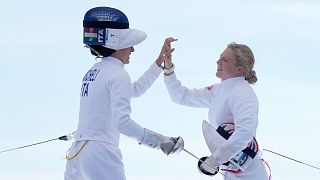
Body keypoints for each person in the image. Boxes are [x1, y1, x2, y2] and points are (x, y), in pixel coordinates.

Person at [64, 7, 184, 180]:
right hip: (101, 154)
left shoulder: (94, 71)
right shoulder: (117, 74)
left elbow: (135, 90)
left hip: (77, 154)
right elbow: (122, 123)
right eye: (129, 44)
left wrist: (160, 61)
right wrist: (160, 142)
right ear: (115, 43)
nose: (133, 50)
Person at [162, 40, 271, 180]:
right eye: (220, 57)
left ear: (239, 68)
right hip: (230, 172)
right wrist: (168, 68)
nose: (218, 62)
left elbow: (245, 133)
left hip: (251, 174)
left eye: (224, 60)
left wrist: (215, 160)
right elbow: (181, 96)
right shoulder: (219, 90)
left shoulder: (243, 93)